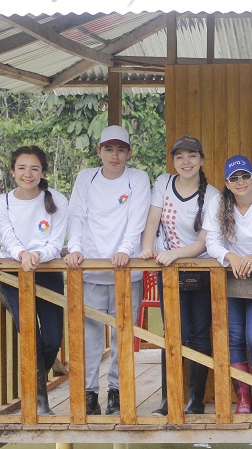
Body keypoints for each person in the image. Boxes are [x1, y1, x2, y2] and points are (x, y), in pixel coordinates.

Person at [63, 125, 151, 416]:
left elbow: (137, 217)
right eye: (109, 149)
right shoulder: (86, 177)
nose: (115, 155)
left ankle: (118, 390)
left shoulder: (137, 178)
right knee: (90, 336)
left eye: (121, 149)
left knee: (123, 334)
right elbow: (76, 214)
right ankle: (89, 392)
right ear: (99, 151)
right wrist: (74, 248)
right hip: (90, 271)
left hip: (126, 272)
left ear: (129, 153)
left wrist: (126, 249)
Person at [139, 136, 219, 415]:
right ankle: (168, 399)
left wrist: (175, 255)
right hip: (167, 270)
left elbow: (203, 242)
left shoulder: (213, 196)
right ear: (173, 161)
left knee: (198, 335)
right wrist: (148, 247)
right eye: (179, 157)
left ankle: (195, 401)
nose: (186, 162)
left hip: (200, 270)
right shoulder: (163, 183)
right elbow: (152, 220)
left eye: (192, 156)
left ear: (202, 160)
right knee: (172, 332)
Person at [0, 146, 68, 416]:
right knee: (31, 336)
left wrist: (37, 254)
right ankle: (39, 402)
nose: (28, 173)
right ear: (13, 172)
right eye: (22, 168)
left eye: (34, 168)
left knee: (52, 338)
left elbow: (56, 242)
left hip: (47, 271)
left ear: (42, 172)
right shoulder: (2, 202)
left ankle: (33, 387)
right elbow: (8, 237)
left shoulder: (56, 200)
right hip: (13, 274)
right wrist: (22, 254)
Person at [205, 155, 252, 414]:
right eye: (234, 178)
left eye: (245, 176)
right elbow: (212, 242)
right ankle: (243, 399)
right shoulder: (218, 202)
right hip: (230, 275)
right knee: (234, 337)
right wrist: (232, 257)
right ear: (227, 183)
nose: (240, 182)